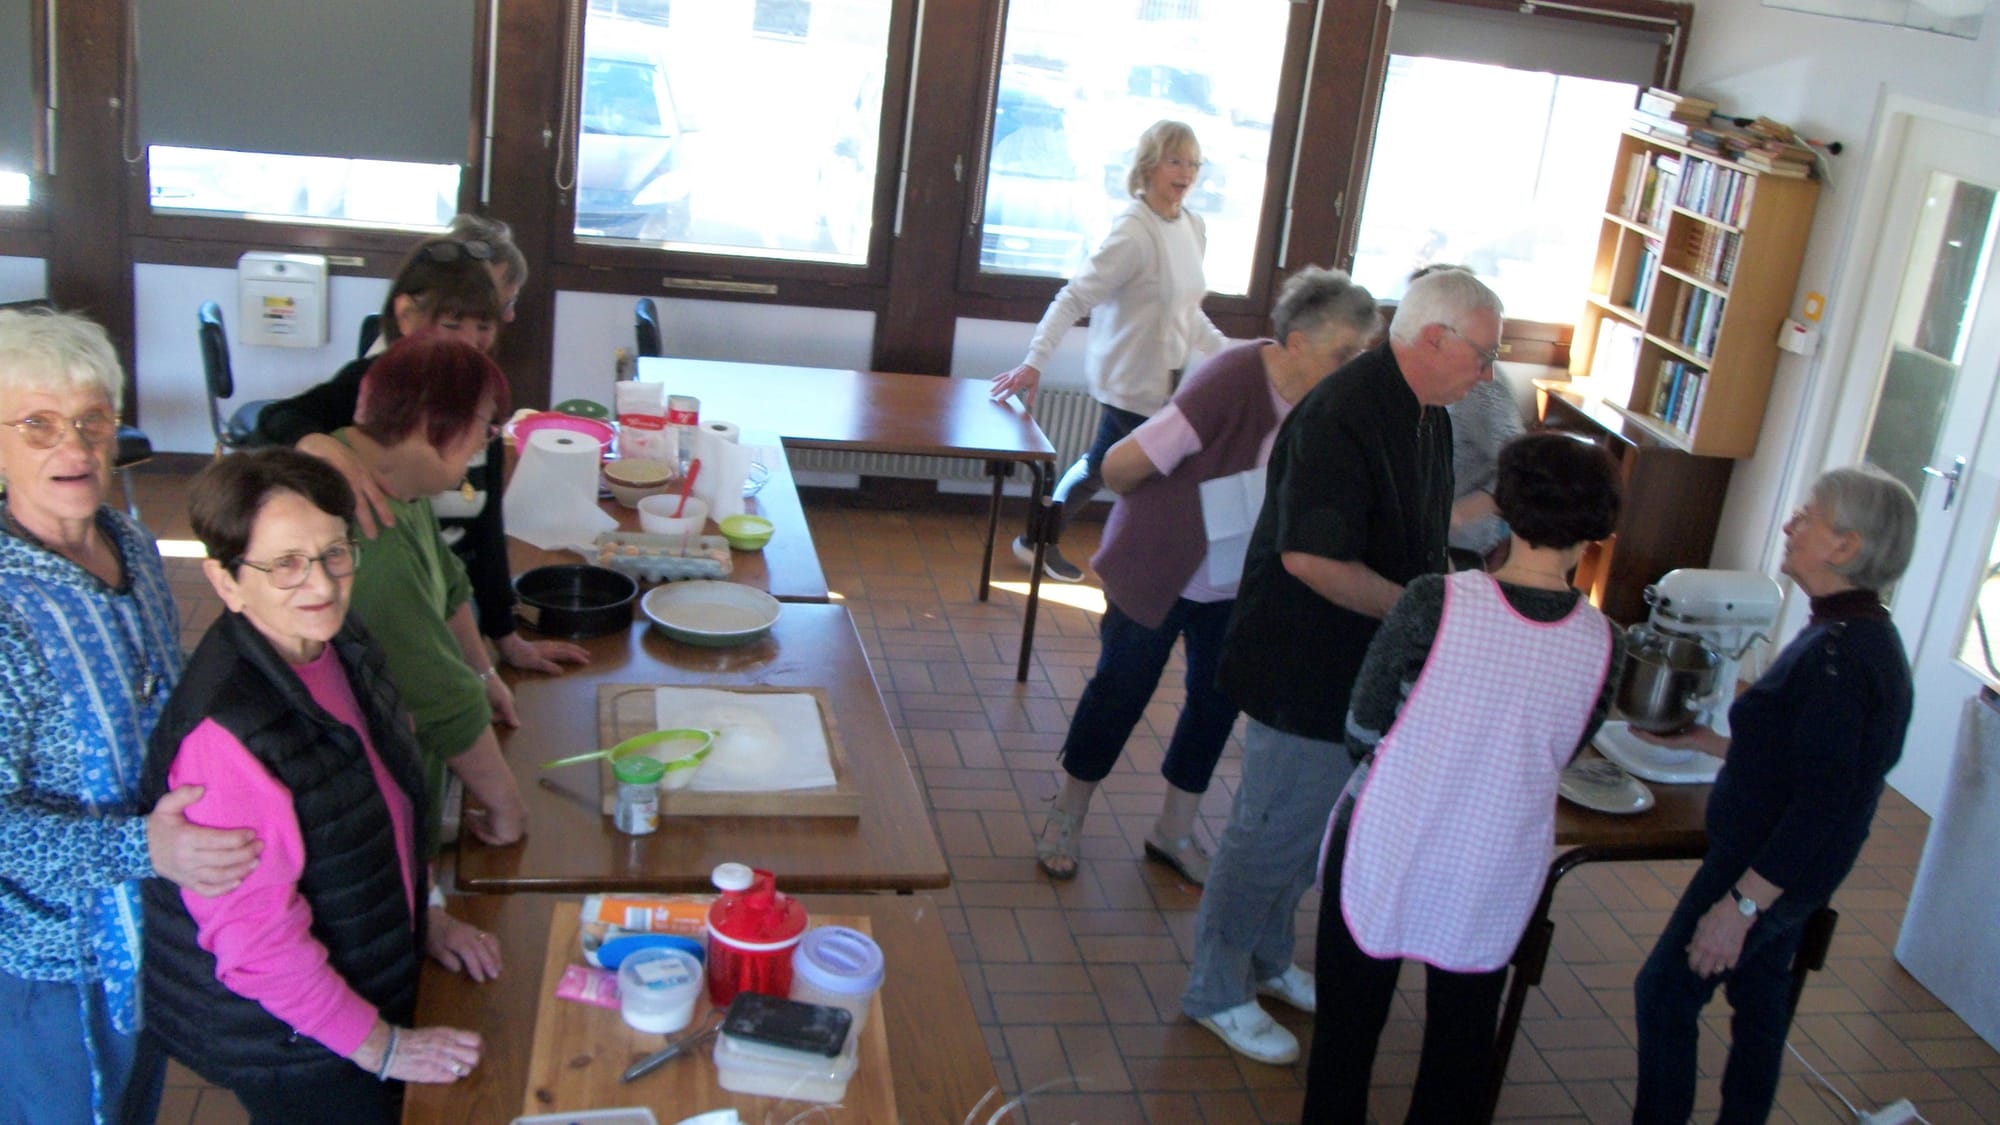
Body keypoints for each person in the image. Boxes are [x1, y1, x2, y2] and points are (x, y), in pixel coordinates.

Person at [1181, 268, 1504, 1066]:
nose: (1490, 373)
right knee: (1270, 829)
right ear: (1435, 338)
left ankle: (1266, 959)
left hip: (1366, 661)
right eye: (1484, 354)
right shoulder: (1342, 414)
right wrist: (1422, 616)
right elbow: (1312, 560)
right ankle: (1215, 986)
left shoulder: (1429, 411)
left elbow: (1419, 534)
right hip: (1305, 664)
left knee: (1316, 827)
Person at [141, 449, 496, 1124]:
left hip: (359, 972)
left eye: (335, 552)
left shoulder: (336, 641)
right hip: (288, 1035)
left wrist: (427, 914)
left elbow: (382, 809)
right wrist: (385, 1048)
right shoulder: (227, 737)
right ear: (225, 579)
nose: (322, 583)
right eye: (284, 564)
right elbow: (260, 946)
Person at [1300, 431, 1626, 1123]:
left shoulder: (1432, 601)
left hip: (1391, 840)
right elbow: (1563, 748)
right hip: (1494, 861)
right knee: (1459, 1046)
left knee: (1346, 1040)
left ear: (1504, 506)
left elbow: (1362, 727)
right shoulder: (1605, 643)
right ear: (1597, 527)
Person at [0, 308, 263, 1124]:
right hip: (51, 965)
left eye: (91, 418)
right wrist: (140, 843)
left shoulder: (132, 542)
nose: (72, 448)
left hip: (151, 919)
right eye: (37, 424)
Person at [1033, 267, 1380, 886]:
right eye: (1344, 353)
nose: (1355, 367)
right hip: (1160, 566)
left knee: (1217, 701)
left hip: (1236, 582)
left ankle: (1174, 830)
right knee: (1122, 691)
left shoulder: (1331, 404)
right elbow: (1119, 468)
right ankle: (1068, 812)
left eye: (1362, 354)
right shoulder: (1231, 380)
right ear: (1297, 342)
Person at [1632, 466, 1917, 1125]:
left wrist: (1739, 907)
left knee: (1666, 993)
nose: (1790, 525)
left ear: (1845, 545)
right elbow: (1814, 767)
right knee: (1760, 1009)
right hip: (1794, 873)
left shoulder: (1838, 660)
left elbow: (1821, 803)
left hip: (1766, 871)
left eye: (1807, 516)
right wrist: (1708, 742)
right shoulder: (1856, 637)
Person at [255, 237, 588, 683]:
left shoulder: (477, 396)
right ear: (406, 314)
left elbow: (486, 530)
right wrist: (322, 444)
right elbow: (272, 419)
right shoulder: (372, 386)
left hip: (451, 601)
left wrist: (506, 637)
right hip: (383, 607)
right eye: (452, 325)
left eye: (484, 325)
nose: (471, 343)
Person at [306, 332, 528, 851]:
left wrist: (484, 671)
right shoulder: (366, 531)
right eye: (484, 425)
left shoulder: (386, 476)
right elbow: (437, 695)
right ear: (433, 425)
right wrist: (505, 806)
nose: (485, 441)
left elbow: (450, 586)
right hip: (364, 807)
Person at [990, 119, 1228, 582]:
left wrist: (1229, 357)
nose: (1186, 173)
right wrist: (1034, 361)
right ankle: (1121, 560)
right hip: (1128, 380)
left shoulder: (1194, 227)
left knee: (1102, 465)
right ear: (1150, 165)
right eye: (1175, 161)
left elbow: (1187, 311)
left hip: (1168, 375)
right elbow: (1073, 298)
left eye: (1194, 164)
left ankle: (1037, 541)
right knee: (1145, 470)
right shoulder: (1134, 232)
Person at [1409, 266, 1525, 571]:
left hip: (1466, 547)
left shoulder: (1482, 387)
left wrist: (1458, 513)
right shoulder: (1412, 376)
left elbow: (1526, 471)